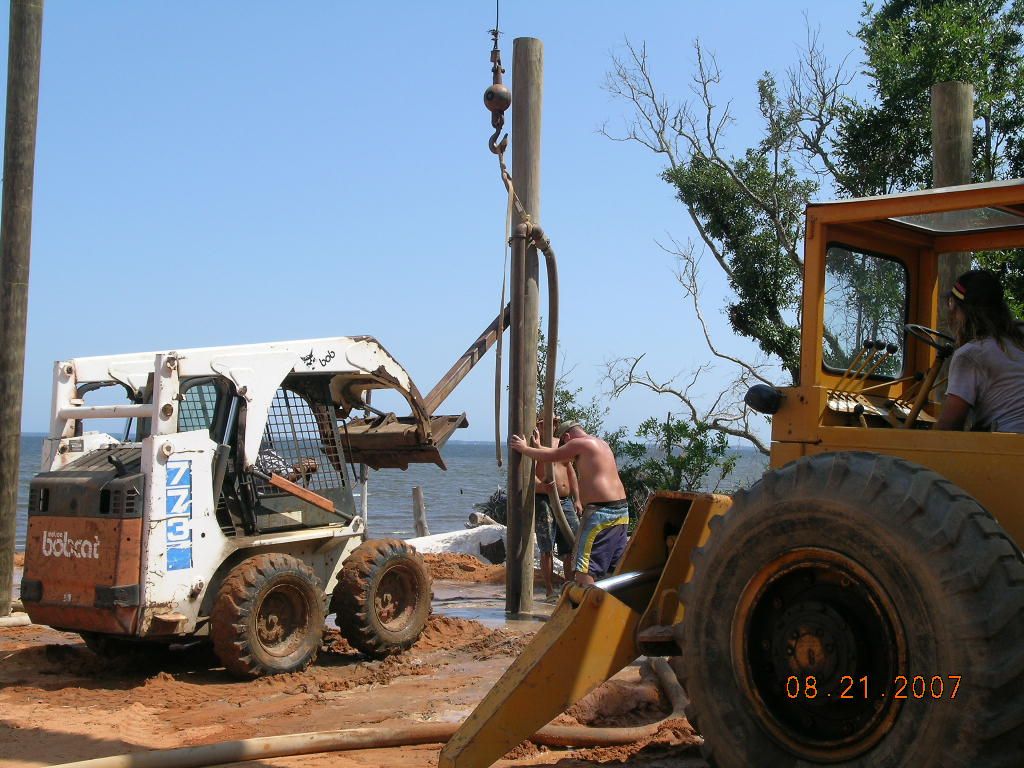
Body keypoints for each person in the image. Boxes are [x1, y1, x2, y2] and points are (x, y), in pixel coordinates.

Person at [510, 421, 628, 585]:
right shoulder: (600, 444)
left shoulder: (579, 443)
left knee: (583, 568)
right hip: (621, 512)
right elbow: (558, 453)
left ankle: (585, 607)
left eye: (565, 444)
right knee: (612, 567)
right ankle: (611, 603)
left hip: (601, 513)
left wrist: (524, 448)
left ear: (567, 436)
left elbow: (553, 456)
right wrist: (537, 446)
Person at [937, 269, 1024, 432]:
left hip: (1010, 448)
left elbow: (949, 427)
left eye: (951, 304)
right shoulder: (1020, 338)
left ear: (962, 310)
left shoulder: (970, 355)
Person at [533, 433, 582, 598]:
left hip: (565, 500)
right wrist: (541, 486)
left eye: (555, 421)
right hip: (544, 499)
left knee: (572, 543)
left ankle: (569, 585)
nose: (549, 425)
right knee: (546, 547)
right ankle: (549, 590)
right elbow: (527, 473)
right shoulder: (534, 444)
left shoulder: (562, 445)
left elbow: (571, 473)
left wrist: (577, 499)